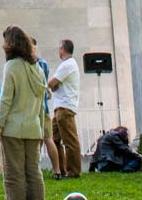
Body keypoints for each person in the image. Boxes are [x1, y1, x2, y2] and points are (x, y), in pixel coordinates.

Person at [0, 28, 47, 200]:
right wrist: (41, 126)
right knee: (34, 173)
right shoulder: (37, 68)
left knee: (13, 175)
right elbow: (40, 103)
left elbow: (6, 99)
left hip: (13, 129)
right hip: (33, 128)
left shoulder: (11, 66)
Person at [45, 40, 82, 179]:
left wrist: (53, 85)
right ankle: (61, 169)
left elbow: (51, 83)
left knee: (70, 140)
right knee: (54, 139)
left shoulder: (68, 64)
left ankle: (74, 171)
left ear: (62, 49)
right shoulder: (67, 65)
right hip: (60, 107)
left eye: (59, 48)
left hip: (65, 107)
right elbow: (54, 84)